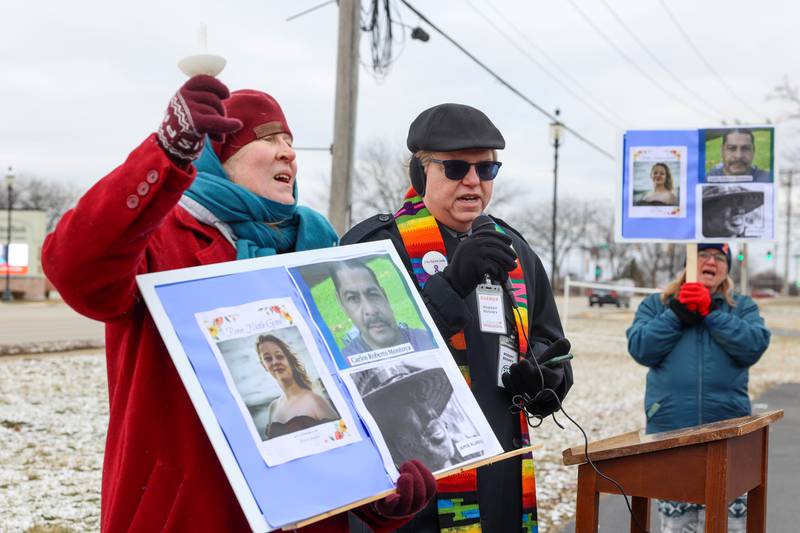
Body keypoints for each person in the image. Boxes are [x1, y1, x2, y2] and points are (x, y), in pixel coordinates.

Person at [42, 75, 434, 532]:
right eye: (269, 139)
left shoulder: (319, 252)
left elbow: (347, 396)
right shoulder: (160, 238)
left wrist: (378, 499)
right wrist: (167, 152)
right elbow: (75, 270)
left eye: (291, 142)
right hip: (190, 515)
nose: (289, 152)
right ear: (218, 159)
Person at [343, 103, 573, 532]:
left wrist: (544, 380)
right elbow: (371, 360)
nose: (472, 181)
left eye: (486, 170)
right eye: (455, 168)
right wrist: (451, 284)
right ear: (419, 173)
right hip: (414, 482)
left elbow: (554, 350)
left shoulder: (515, 250)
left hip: (500, 476)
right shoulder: (374, 250)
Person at [626, 243, 770, 532]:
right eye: (703, 254)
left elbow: (754, 346)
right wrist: (676, 314)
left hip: (728, 431)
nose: (711, 261)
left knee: (729, 524)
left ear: (727, 267)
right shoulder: (657, 305)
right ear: (689, 262)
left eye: (719, 257)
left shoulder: (740, 307)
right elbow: (641, 348)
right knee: (678, 525)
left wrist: (711, 314)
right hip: (672, 431)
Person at [354, 363, 461, 471]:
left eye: (421, 397)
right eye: (406, 404)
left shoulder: (473, 455)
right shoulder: (398, 484)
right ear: (387, 432)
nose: (430, 413)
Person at [331, 259, 435, 355]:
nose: (370, 310)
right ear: (342, 304)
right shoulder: (345, 360)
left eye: (373, 294)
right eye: (353, 298)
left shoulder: (427, 340)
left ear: (384, 295)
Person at [256, 334, 339, 439]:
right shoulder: (273, 407)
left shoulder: (315, 400)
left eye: (279, 356)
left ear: (289, 360)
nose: (275, 362)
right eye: (268, 358)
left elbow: (340, 436)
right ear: (264, 365)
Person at [707, 128, 771, 182]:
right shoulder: (706, 180)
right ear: (722, 150)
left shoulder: (768, 180)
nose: (739, 156)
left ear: (753, 151)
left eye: (746, 148)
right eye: (731, 148)